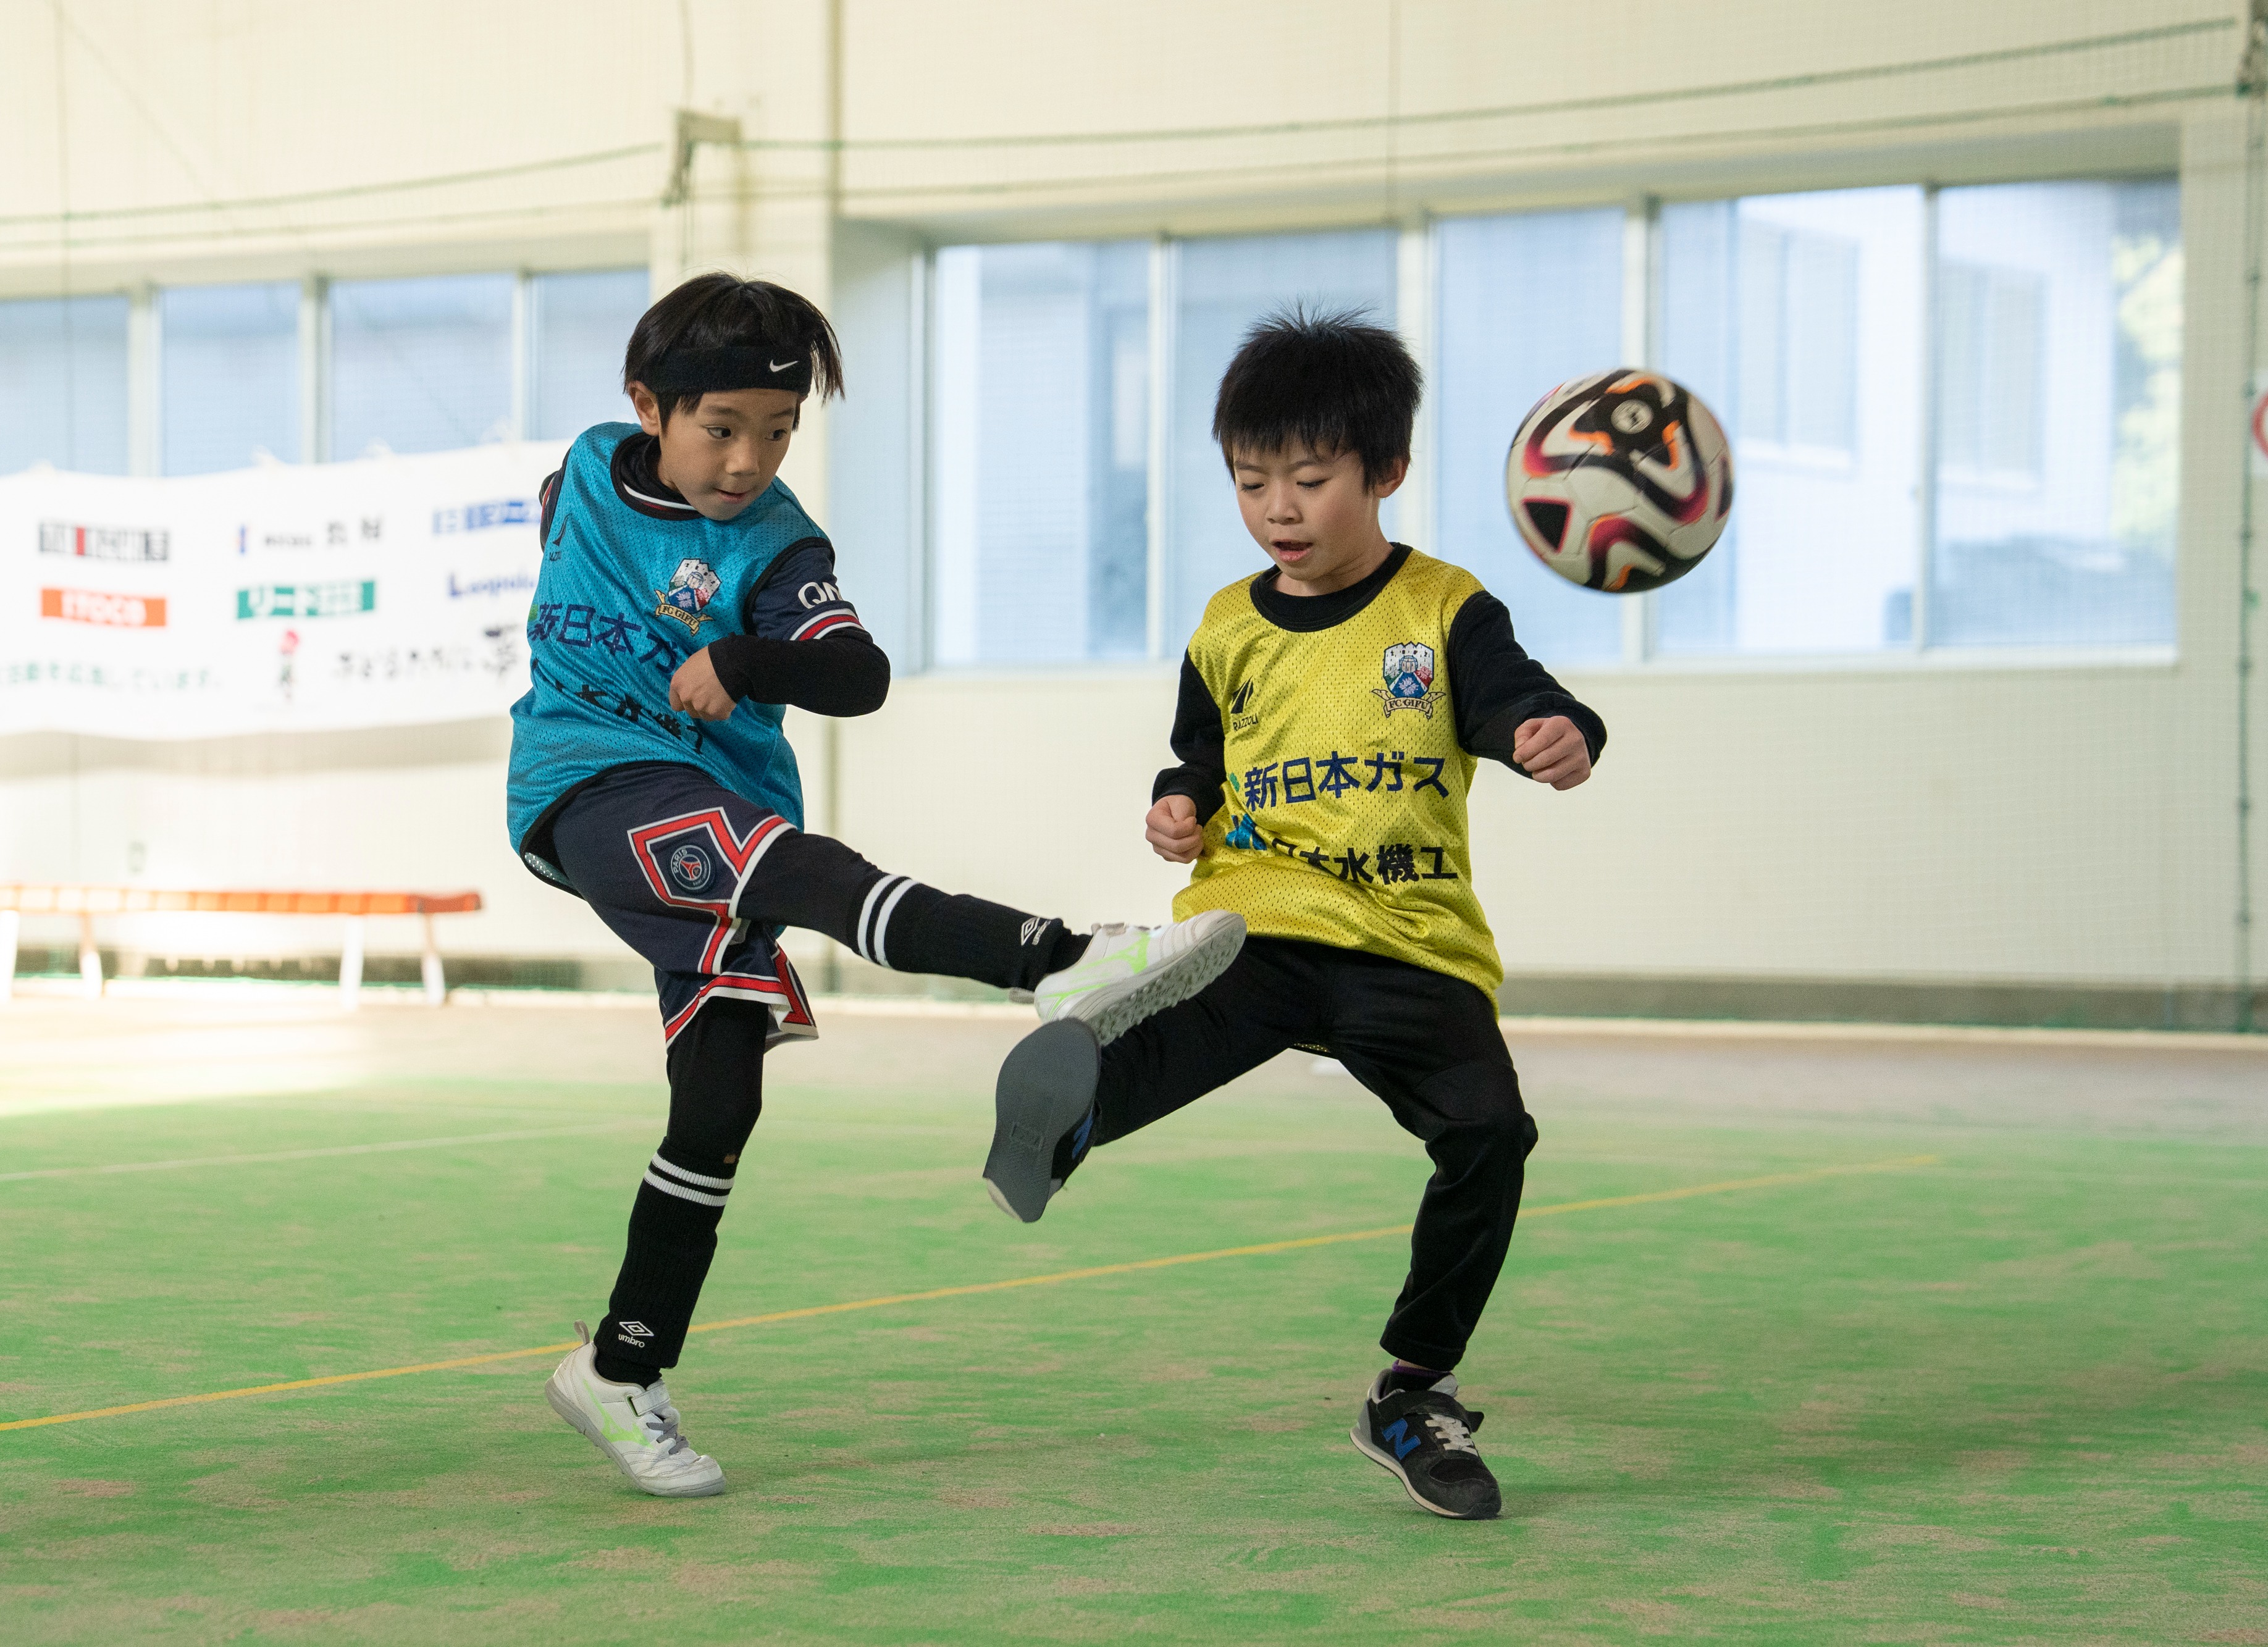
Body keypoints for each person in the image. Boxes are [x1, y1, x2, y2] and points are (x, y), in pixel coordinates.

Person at [510, 272, 1244, 1499]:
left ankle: (619, 1363)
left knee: (717, 1101)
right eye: (720, 428)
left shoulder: (779, 540)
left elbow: (856, 673)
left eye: (779, 430)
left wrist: (745, 655)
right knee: (796, 873)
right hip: (586, 786)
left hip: (721, 805)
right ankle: (1054, 956)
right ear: (647, 405)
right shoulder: (582, 472)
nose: (748, 458)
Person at [978, 308, 1605, 1521]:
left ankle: (1411, 1390)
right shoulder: (1225, 624)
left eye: (1309, 479)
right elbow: (1194, 758)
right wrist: (1175, 806)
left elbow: (1519, 700)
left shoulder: (1442, 609)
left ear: (1384, 474)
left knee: (1488, 1136)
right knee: (1193, 1017)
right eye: (1251, 479)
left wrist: (1554, 735)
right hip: (1254, 916)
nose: (1278, 506)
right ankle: (1066, 1113)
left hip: (1408, 939)